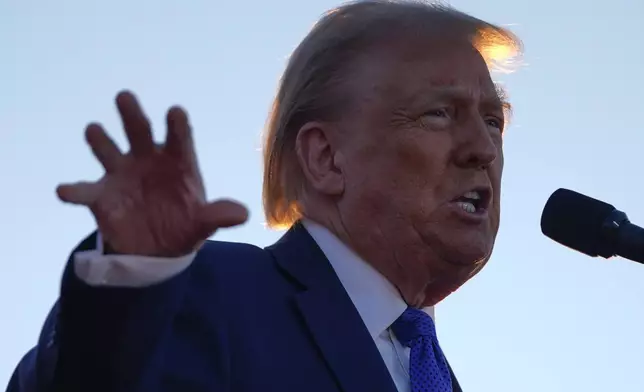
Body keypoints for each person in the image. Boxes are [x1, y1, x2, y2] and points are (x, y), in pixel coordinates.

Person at [6, 1, 522, 391]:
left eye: (493, 120)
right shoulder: (209, 293)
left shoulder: (430, 372)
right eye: (438, 113)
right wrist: (135, 276)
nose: (483, 148)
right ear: (325, 158)